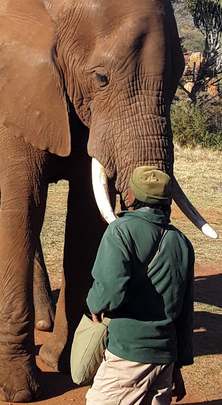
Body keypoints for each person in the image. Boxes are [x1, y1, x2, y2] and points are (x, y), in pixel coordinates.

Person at [85, 166, 195, 405]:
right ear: (168, 201)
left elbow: (109, 293)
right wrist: (177, 365)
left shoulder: (120, 231)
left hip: (127, 355)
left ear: (132, 197)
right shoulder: (182, 243)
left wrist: (94, 305)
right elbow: (185, 313)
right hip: (164, 359)